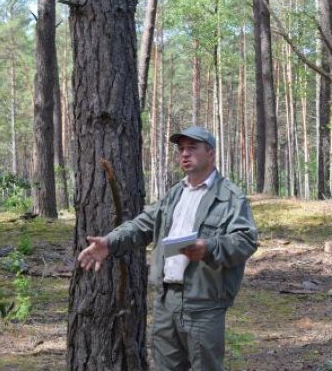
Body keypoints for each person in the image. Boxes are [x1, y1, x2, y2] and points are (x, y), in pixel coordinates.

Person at [77, 126, 258, 371]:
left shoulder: (230, 197)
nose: (184, 154)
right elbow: (142, 225)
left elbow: (245, 240)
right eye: (181, 149)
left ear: (211, 153)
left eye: (192, 148)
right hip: (166, 300)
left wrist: (210, 247)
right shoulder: (175, 194)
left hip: (203, 302)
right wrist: (110, 242)